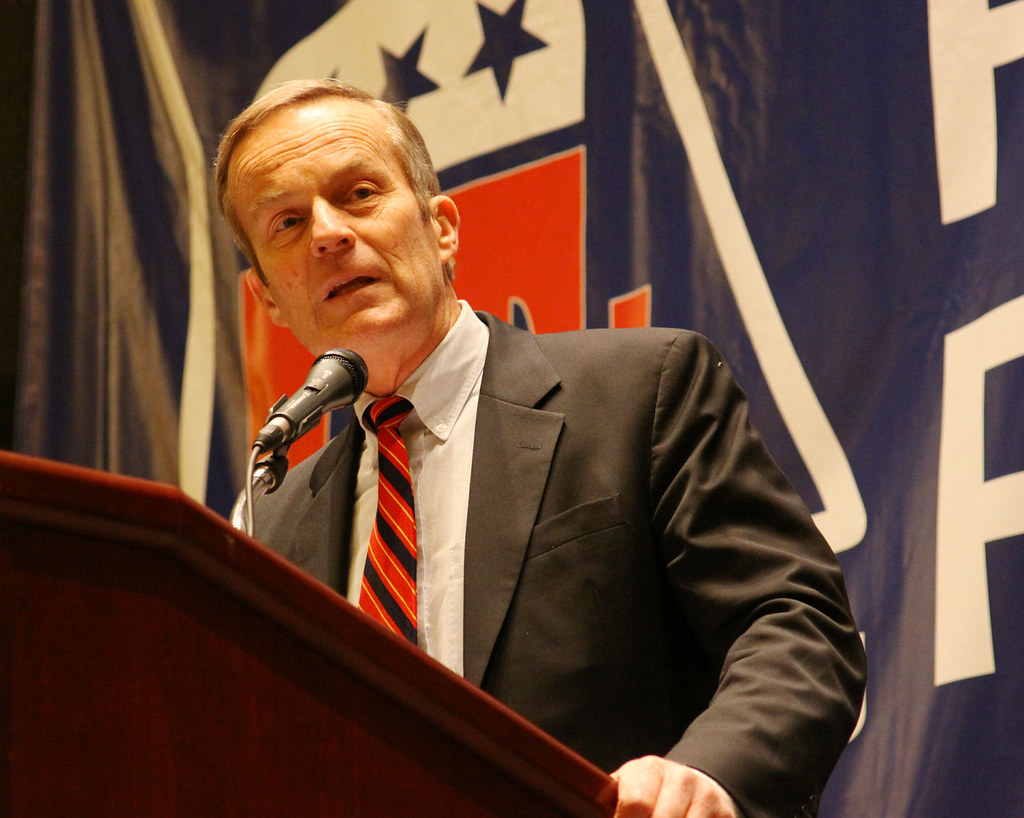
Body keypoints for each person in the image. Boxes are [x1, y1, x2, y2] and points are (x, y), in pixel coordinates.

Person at [214, 78, 866, 818]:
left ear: (442, 229)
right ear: (269, 299)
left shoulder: (641, 391)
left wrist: (709, 774)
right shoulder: (275, 521)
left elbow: (794, 621)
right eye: (288, 223)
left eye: (360, 193)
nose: (329, 233)